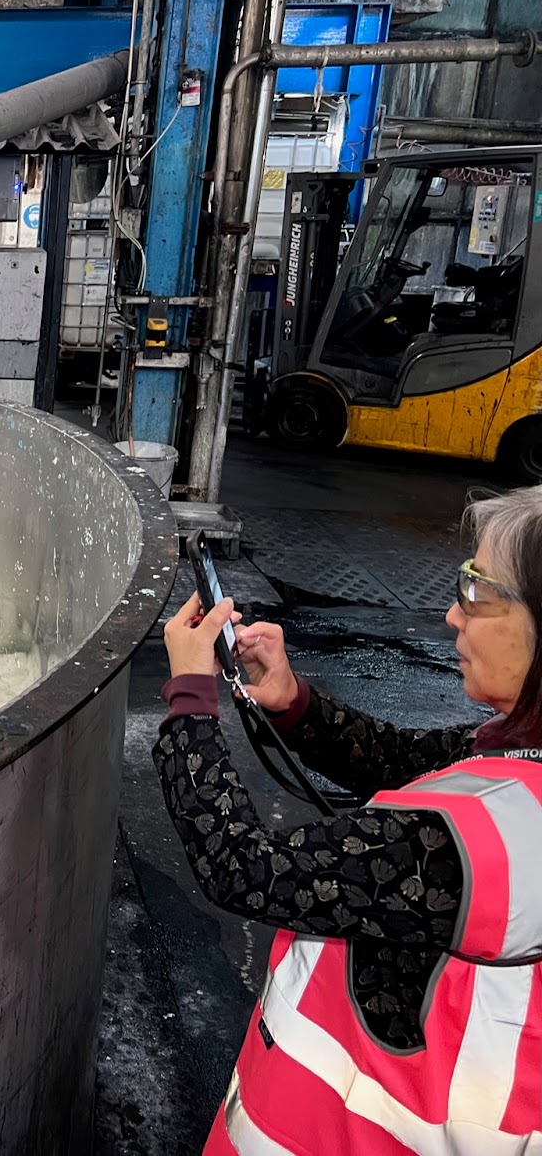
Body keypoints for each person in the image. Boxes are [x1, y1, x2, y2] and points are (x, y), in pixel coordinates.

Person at [155, 485, 542, 1154]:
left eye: (478, 592)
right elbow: (404, 757)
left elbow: (245, 868)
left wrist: (190, 696)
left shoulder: (483, 843)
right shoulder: (518, 750)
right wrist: (292, 702)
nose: (452, 614)